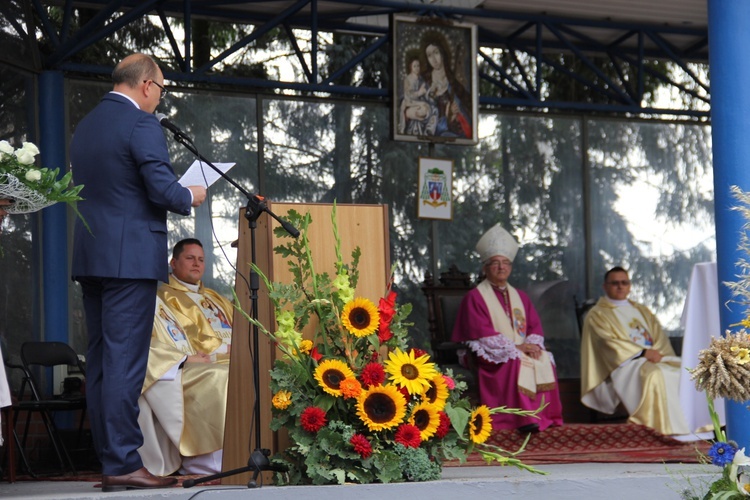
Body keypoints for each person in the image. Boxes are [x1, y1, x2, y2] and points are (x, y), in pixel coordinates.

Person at [70, 53, 207, 492]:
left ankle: (113, 461)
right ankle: (126, 463)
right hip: (128, 262)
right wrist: (191, 194)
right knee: (126, 364)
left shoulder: (87, 124)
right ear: (147, 85)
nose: (160, 96)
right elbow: (161, 188)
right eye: (162, 88)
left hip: (92, 255)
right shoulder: (142, 124)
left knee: (103, 365)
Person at [452, 224, 564, 432]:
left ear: (511, 267)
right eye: (495, 263)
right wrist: (517, 348)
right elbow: (480, 332)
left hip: (517, 349)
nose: (501, 267)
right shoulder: (475, 297)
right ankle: (518, 419)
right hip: (488, 355)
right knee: (514, 359)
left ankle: (543, 417)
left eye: (505, 263)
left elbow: (534, 326)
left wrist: (531, 344)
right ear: (485, 268)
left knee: (544, 358)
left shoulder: (520, 296)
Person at [580, 266, 690, 437]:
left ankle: (689, 426)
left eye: (624, 282)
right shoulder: (597, 314)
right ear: (605, 286)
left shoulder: (642, 310)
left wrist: (657, 354)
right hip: (624, 363)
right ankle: (656, 427)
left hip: (653, 359)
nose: (620, 287)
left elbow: (659, 336)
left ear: (630, 286)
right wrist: (641, 353)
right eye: (615, 283)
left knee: (686, 371)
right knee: (656, 376)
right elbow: (605, 342)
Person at [137, 296, 229, 476]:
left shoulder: (158, 299)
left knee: (233, 371)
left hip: (181, 363)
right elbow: (139, 343)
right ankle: (205, 461)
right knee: (219, 376)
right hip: (162, 369)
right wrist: (184, 359)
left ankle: (233, 451)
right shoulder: (137, 298)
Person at [158, 239, 233, 359]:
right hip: (205, 361)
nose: (196, 263)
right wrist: (228, 349)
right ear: (173, 263)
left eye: (201, 260)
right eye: (190, 258)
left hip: (236, 356)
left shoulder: (214, 297)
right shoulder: (165, 296)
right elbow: (187, 334)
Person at [419, 30, 472, 139]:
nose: (433, 59)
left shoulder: (454, 85)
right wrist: (447, 115)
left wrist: (454, 115)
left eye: (436, 52)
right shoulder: (423, 82)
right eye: (429, 55)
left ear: (443, 53)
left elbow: (467, 117)